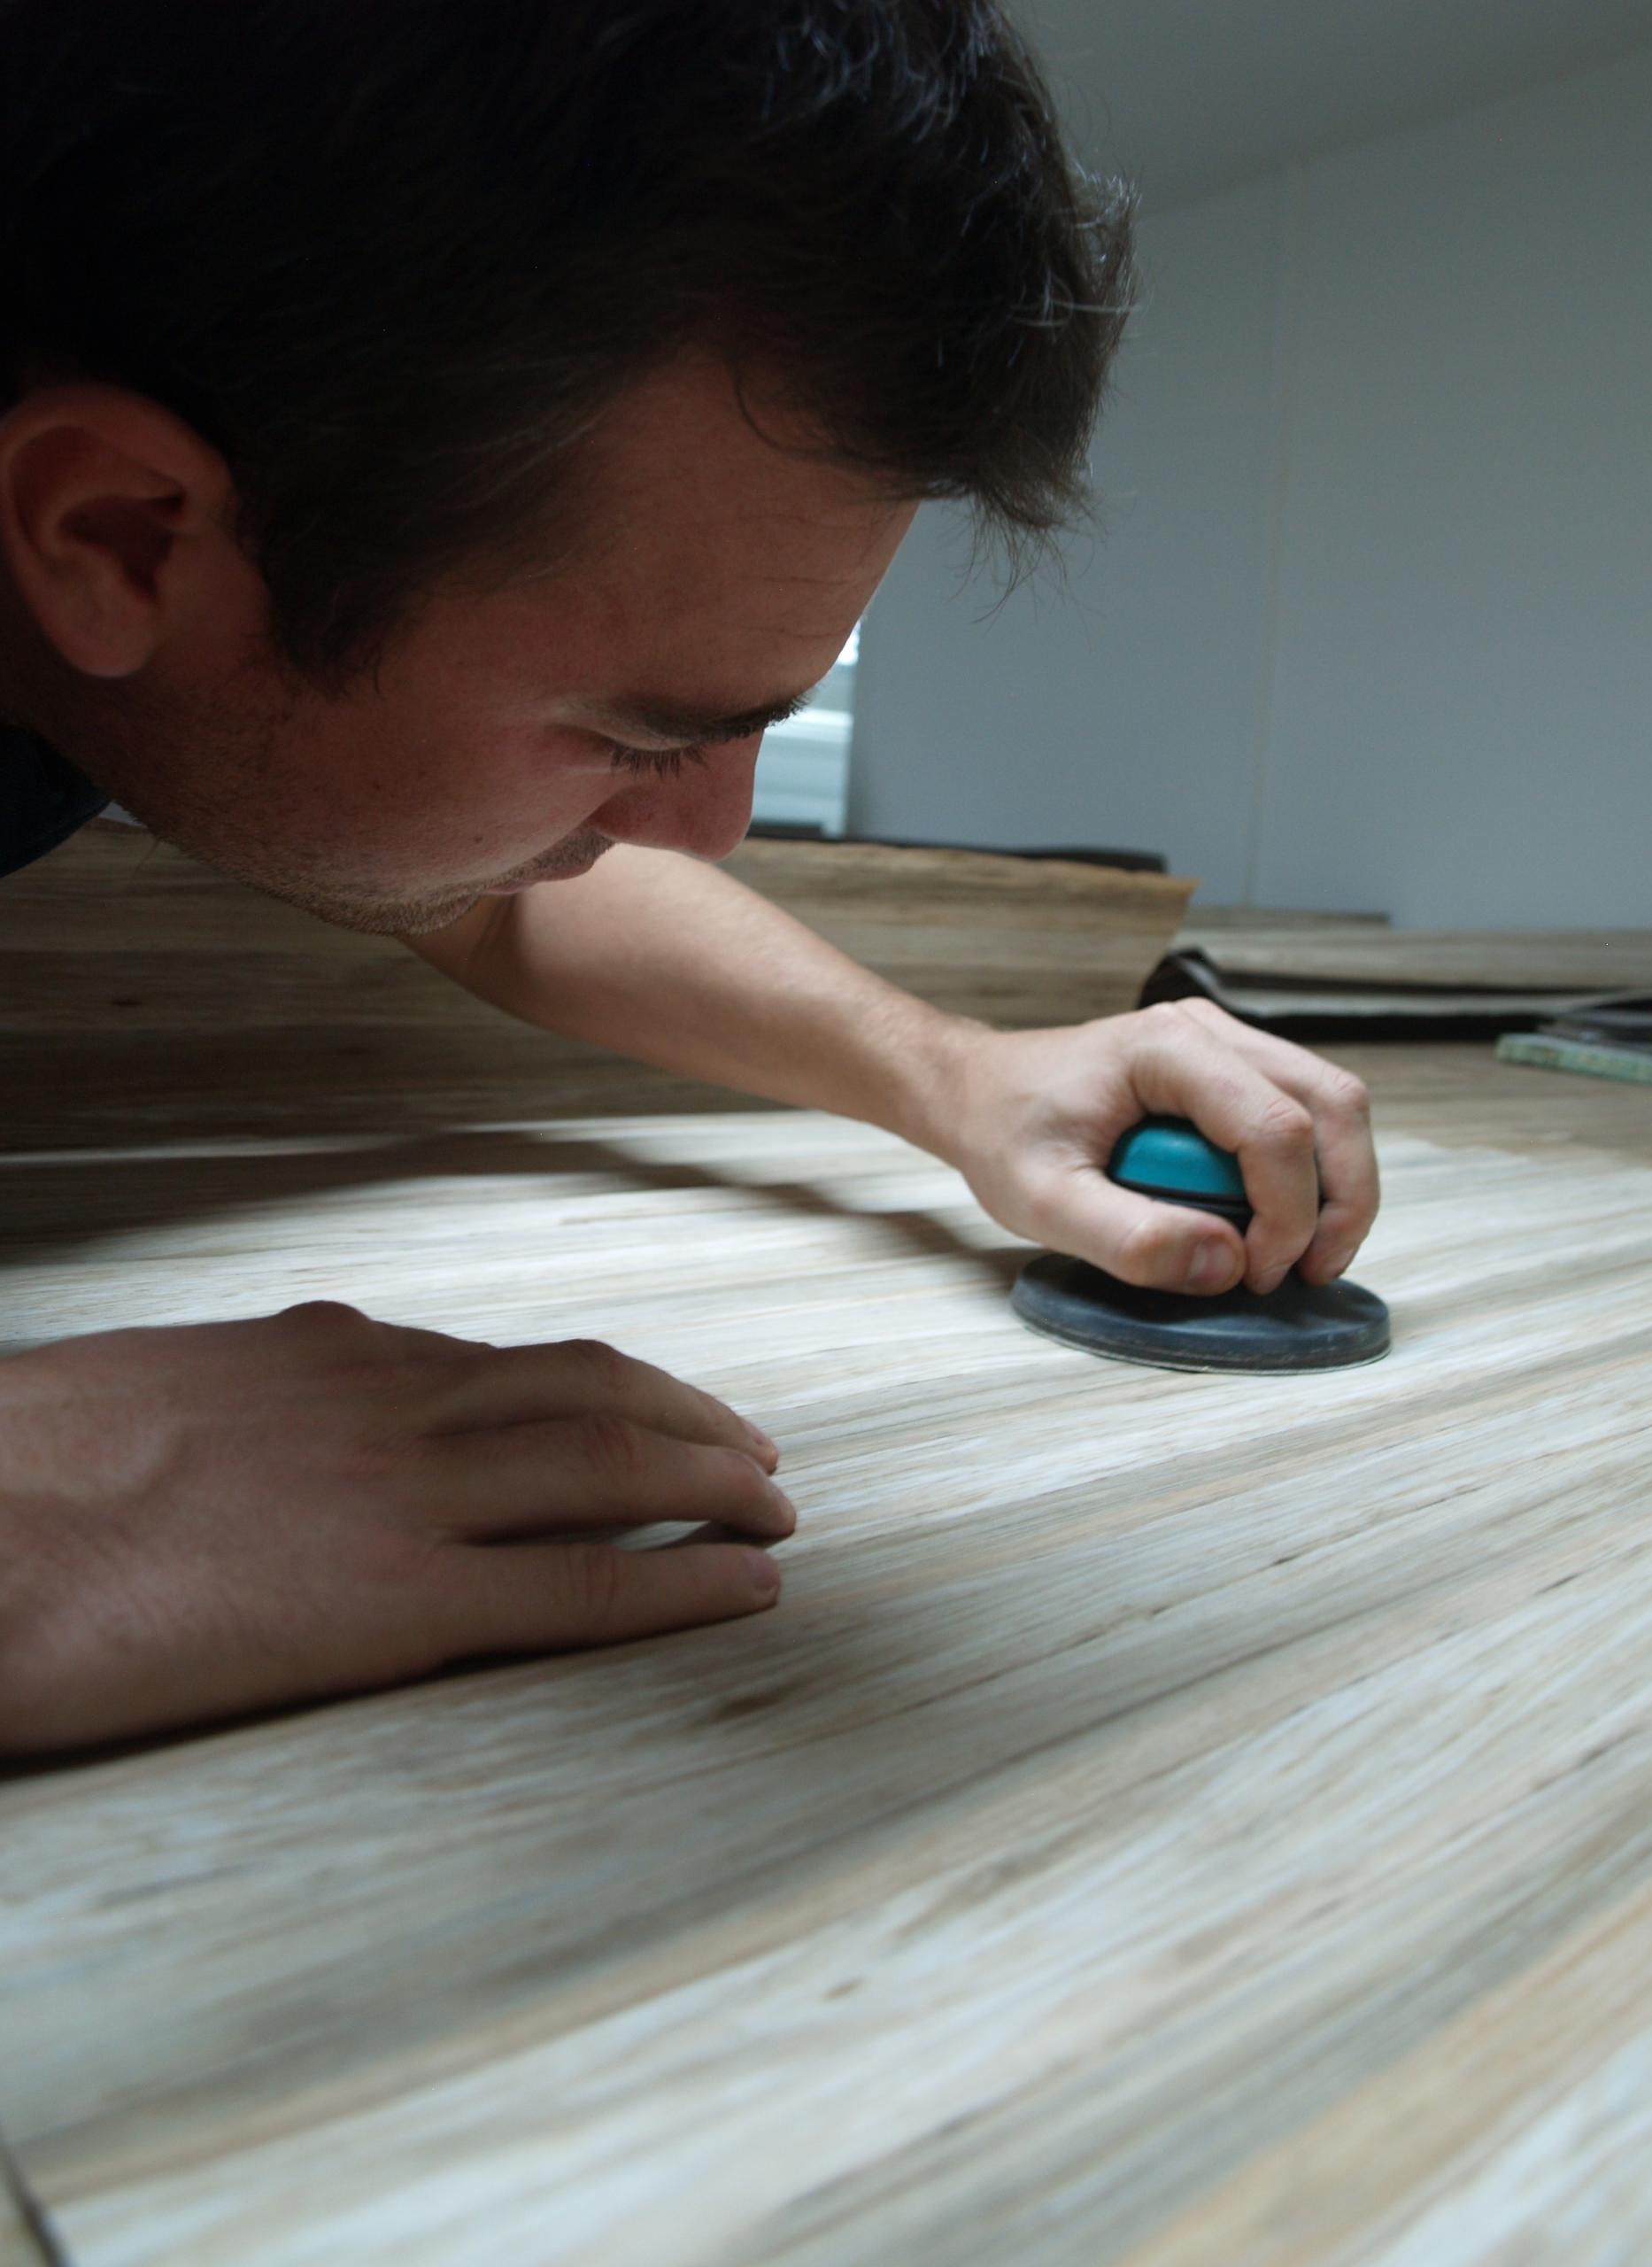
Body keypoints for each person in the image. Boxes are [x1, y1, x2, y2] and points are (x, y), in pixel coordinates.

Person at [0, 0, 1376, 1752]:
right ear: (114, 535)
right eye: (634, 730)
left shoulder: (123, 606)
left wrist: (959, 1075)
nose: (716, 827)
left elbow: (485, 875)